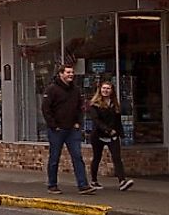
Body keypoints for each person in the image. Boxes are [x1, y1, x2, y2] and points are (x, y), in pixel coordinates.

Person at [41, 64, 95, 195]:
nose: (71, 74)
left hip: (72, 130)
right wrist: (54, 125)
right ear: (61, 74)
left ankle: (83, 185)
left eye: (72, 72)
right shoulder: (52, 89)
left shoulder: (75, 90)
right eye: (68, 72)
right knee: (54, 157)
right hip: (57, 130)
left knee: (77, 156)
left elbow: (79, 108)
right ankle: (52, 185)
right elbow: (46, 109)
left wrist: (78, 122)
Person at [89, 81, 134, 191]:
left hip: (113, 135)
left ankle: (122, 181)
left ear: (112, 90)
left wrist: (121, 134)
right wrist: (108, 130)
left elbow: (118, 121)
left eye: (108, 88)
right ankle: (94, 181)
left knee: (117, 158)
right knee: (97, 158)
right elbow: (96, 121)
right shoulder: (94, 104)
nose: (105, 90)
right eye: (104, 88)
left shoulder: (114, 104)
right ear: (100, 89)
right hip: (98, 135)